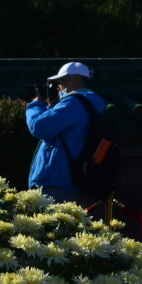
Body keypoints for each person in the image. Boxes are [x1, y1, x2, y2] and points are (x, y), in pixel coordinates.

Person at [26, 62, 106, 205]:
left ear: (75, 79)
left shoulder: (74, 103)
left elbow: (39, 127)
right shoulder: (92, 103)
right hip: (78, 181)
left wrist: (35, 104)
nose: (58, 88)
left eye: (61, 82)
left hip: (59, 183)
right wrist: (52, 106)